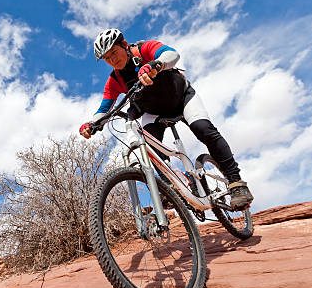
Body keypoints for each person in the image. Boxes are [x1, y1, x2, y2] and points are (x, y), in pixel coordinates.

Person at [79, 28, 253, 210]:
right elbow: (104, 108)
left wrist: (156, 64)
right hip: (154, 112)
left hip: (182, 98)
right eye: (107, 58)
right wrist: (91, 124)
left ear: (124, 45)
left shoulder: (144, 49)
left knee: (204, 130)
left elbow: (172, 54)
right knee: (150, 148)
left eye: (114, 52)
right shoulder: (115, 80)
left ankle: (236, 183)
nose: (113, 60)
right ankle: (175, 186)